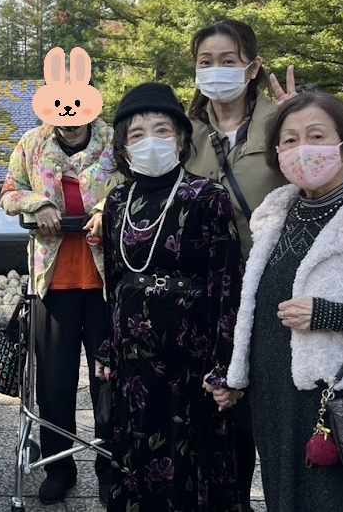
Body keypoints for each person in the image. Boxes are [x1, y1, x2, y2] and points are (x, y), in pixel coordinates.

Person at [213, 93, 343, 512]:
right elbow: (257, 307)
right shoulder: (276, 214)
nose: (302, 149)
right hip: (274, 397)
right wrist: (235, 375)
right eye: (289, 140)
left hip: (341, 403)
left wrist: (330, 314)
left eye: (316, 136)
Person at [95, 83, 242, 512]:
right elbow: (115, 280)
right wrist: (108, 344)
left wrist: (226, 364)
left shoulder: (208, 197)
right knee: (136, 444)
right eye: (137, 134)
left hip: (189, 351)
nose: (150, 141)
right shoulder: (118, 200)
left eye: (161, 130)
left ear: (179, 139)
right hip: (133, 355)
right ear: (123, 146)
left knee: (187, 450)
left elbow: (226, 283)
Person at [183, 19, 289, 511]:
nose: (216, 70)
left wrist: (300, 128)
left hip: (270, 291)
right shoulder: (185, 132)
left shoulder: (279, 123)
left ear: (252, 67)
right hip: (206, 295)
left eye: (228, 60)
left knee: (268, 414)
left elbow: (326, 182)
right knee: (215, 417)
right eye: (206, 61)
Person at [0, 88, 116, 503]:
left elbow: (135, 188)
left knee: (109, 381)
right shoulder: (32, 143)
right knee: (54, 383)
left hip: (106, 283)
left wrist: (105, 210)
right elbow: (9, 192)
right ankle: (58, 467)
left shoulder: (114, 142)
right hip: (53, 282)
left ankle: (110, 467)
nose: (70, 116)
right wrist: (37, 203)